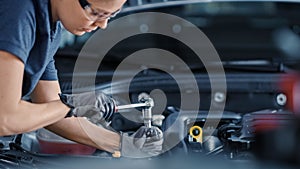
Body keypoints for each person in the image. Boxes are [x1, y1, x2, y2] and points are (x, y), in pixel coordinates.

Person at [0, 0, 163, 158]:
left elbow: (49, 110)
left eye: (111, 15)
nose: (102, 24)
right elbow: (5, 118)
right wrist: (71, 104)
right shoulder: (18, 12)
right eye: (96, 12)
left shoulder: (48, 28)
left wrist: (124, 144)